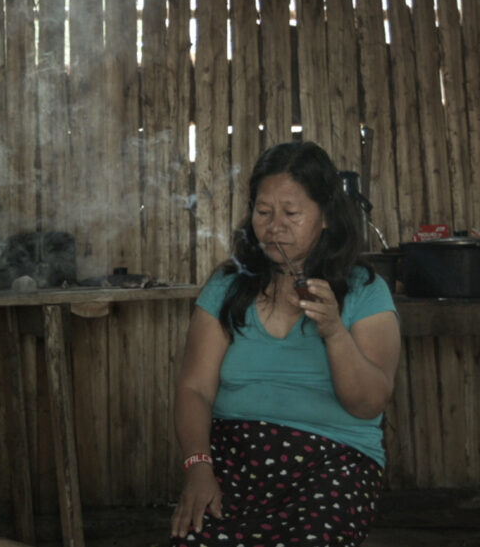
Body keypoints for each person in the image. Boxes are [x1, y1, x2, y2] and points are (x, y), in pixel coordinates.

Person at [170, 141, 401, 547]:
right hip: (234, 459)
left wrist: (334, 331)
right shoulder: (228, 286)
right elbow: (194, 389)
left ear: (326, 216)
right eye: (263, 212)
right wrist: (199, 466)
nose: (274, 227)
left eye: (291, 213)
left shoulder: (365, 290)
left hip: (333, 462)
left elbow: (368, 404)